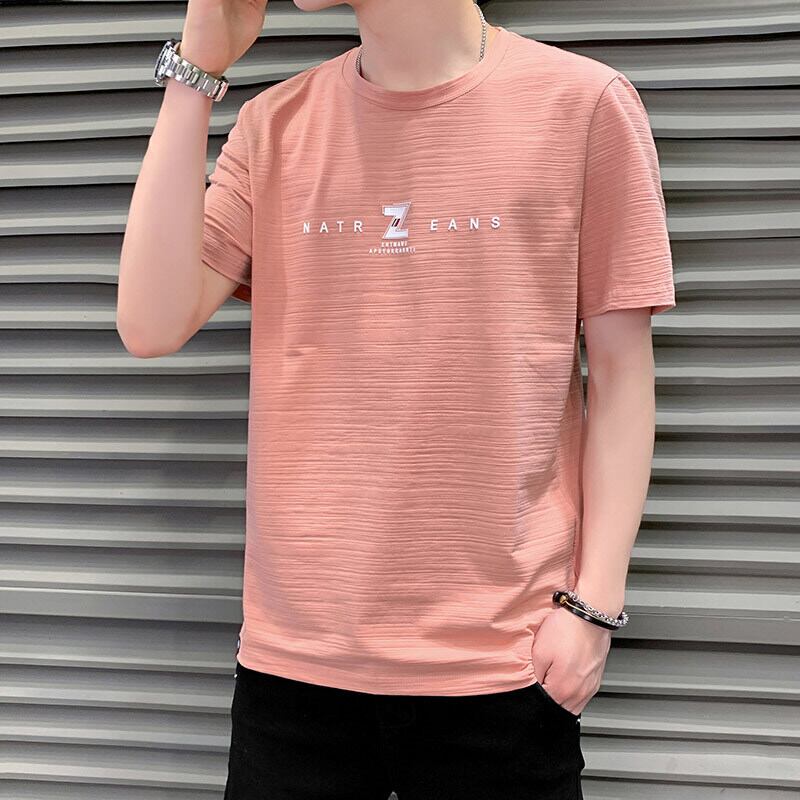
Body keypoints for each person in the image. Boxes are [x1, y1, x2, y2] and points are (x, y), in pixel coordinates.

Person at [117, 0, 676, 797]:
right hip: (294, 672)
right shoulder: (275, 125)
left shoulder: (583, 105)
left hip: (502, 668)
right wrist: (196, 75)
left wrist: (593, 611)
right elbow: (149, 323)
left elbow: (622, 377)